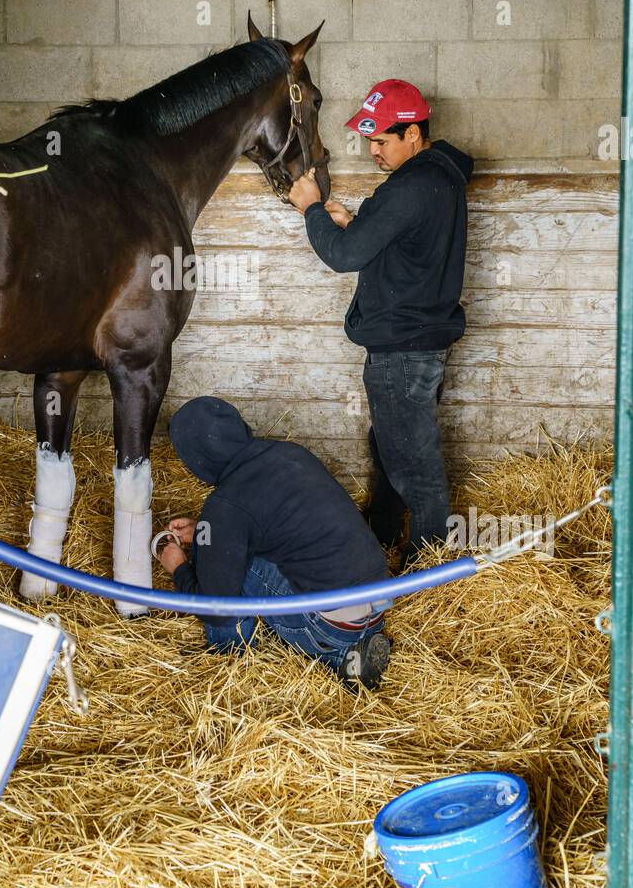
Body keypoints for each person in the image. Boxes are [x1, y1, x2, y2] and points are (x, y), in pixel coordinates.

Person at [287, 79, 473, 569]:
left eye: (383, 140)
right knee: (393, 441)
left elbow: (344, 256)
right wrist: (357, 221)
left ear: (414, 134)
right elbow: (407, 244)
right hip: (423, 337)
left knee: (415, 460)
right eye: (369, 140)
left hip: (402, 347)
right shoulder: (443, 176)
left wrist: (311, 209)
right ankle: (385, 528)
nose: (374, 150)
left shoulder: (408, 186)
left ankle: (430, 560)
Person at [158, 395, 393, 689]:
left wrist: (179, 567)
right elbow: (277, 519)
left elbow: (216, 608)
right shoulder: (290, 453)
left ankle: (231, 658)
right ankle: (362, 642)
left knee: (230, 567)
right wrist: (206, 532)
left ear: (197, 461)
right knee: (232, 548)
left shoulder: (225, 506)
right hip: (379, 598)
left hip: (330, 625)